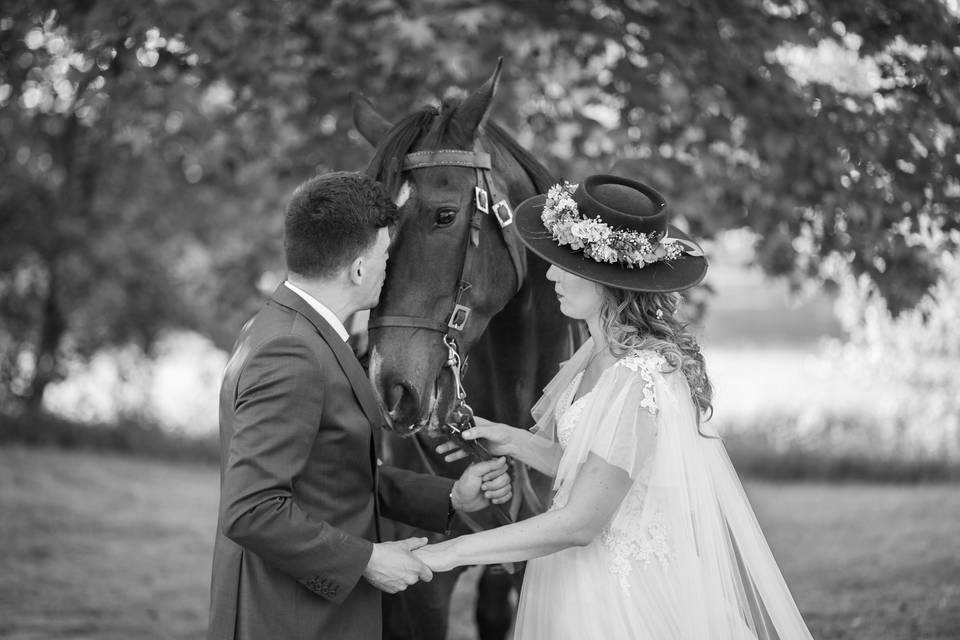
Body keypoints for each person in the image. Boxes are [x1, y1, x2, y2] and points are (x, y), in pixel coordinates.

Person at [419, 174, 814, 639]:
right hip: (572, 580)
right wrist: (513, 440)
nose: (550, 276)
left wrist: (451, 552)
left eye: (565, 266)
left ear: (606, 279)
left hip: (619, 594)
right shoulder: (594, 354)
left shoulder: (640, 375)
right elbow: (601, 468)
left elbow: (582, 520)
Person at [207, 172, 512, 640]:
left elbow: (334, 470)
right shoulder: (291, 352)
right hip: (290, 619)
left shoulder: (288, 329)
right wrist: (368, 560)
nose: (390, 269)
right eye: (386, 256)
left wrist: (449, 498)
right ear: (357, 269)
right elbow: (251, 509)